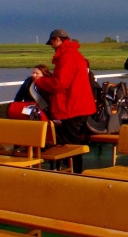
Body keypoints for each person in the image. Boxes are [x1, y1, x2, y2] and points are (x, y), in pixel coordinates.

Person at [35, 29, 97, 173]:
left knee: (71, 143)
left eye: (51, 42)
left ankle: (75, 172)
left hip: (73, 106)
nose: (51, 46)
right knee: (73, 141)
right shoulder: (73, 54)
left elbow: (59, 83)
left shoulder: (67, 56)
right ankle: (74, 171)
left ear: (57, 39)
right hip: (79, 105)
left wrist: (40, 81)